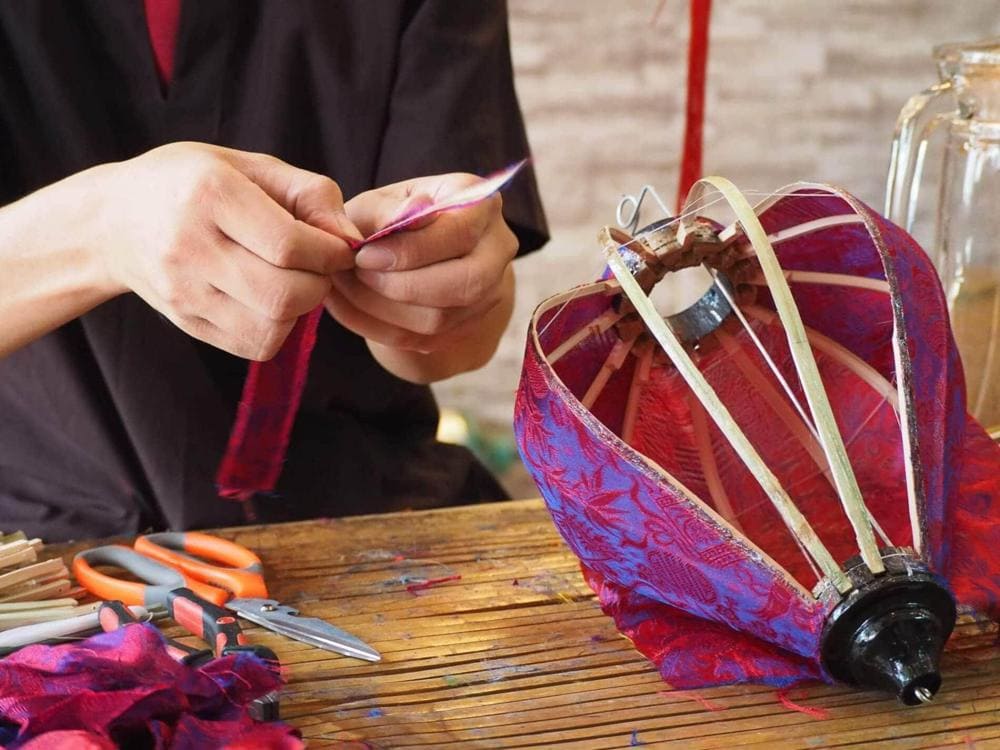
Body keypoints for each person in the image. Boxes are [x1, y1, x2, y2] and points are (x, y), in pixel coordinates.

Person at [0, 1, 548, 541]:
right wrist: (103, 226)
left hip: (362, 517)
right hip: (41, 549)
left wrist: (441, 294)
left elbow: (457, 339)